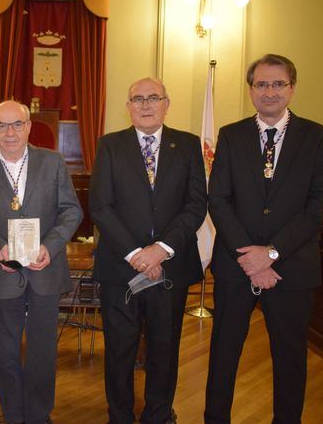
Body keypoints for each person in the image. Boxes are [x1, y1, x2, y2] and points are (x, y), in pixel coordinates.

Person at [204, 54, 323, 424]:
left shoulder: (317, 137)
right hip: (235, 266)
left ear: (292, 88)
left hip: (292, 269)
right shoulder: (231, 134)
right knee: (224, 353)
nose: (270, 91)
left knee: (290, 357)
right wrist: (250, 256)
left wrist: (272, 253)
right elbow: (219, 199)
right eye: (262, 84)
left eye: (278, 84)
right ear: (250, 91)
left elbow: (319, 205)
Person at [90, 77, 207, 424]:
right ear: (127, 106)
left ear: (166, 103)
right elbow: (101, 206)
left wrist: (161, 250)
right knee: (119, 350)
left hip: (172, 267)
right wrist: (136, 254)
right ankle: (120, 416)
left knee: (164, 349)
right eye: (137, 98)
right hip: (120, 268)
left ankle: (158, 415)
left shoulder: (187, 145)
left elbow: (195, 204)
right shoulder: (110, 145)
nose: (145, 104)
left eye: (153, 97)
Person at [0, 100, 82, 424]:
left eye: (17, 124)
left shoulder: (53, 162)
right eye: (2, 125)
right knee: (6, 353)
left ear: (29, 126)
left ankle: (39, 415)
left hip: (46, 270)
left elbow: (72, 211)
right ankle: (13, 416)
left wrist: (50, 246)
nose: (10, 132)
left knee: (43, 352)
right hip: (4, 274)